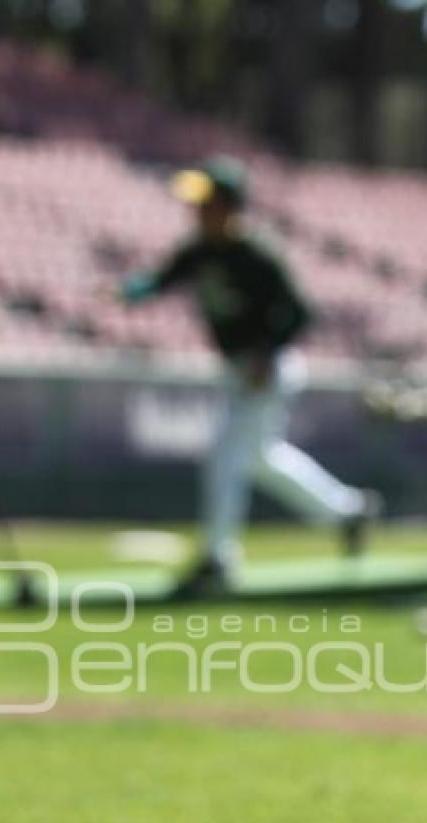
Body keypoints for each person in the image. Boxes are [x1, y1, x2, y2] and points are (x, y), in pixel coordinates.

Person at [118, 155, 381, 595]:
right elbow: (164, 278)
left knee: (225, 460)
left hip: (267, 370)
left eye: (207, 204)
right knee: (261, 459)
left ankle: (218, 558)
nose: (197, 212)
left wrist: (264, 352)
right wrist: (131, 291)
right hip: (240, 370)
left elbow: (299, 314)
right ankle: (348, 511)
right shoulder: (200, 250)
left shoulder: (256, 255)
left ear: (229, 206)